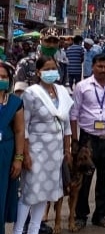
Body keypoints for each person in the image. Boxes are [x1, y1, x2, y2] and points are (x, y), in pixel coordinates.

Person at [13, 57, 73, 234]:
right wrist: (25, 154)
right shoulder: (31, 93)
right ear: (38, 72)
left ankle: (34, 230)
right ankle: (18, 231)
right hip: (36, 151)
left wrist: (67, 149)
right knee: (29, 194)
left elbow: (67, 124)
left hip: (55, 154)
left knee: (44, 194)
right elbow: (23, 126)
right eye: (47, 69)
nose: (51, 72)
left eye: (54, 68)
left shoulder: (62, 92)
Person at [70, 53, 105, 228]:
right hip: (88, 140)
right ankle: (81, 216)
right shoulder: (82, 86)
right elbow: (74, 114)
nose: (103, 70)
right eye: (99, 66)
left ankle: (100, 215)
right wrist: (74, 140)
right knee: (83, 180)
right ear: (93, 67)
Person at [0, 62, 24, 234]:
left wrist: (18, 158)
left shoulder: (15, 102)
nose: (0, 80)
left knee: (1, 196)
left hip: (5, 154)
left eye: (3, 77)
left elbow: (19, 130)